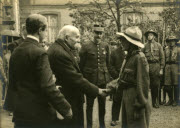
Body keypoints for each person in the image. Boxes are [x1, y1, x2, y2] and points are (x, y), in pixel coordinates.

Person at [8, 14, 72, 128]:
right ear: (40, 30)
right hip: (38, 114)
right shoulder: (40, 52)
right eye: (46, 30)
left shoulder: (17, 50)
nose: (46, 33)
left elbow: (13, 82)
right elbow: (47, 86)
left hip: (20, 113)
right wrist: (66, 108)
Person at [48, 25, 107, 128]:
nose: (78, 40)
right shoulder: (60, 53)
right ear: (66, 37)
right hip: (69, 99)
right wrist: (98, 90)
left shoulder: (61, 48)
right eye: (76, 37)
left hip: (70, 97)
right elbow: (75, 77)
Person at [116, 26, 151, 128]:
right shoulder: (129, 57)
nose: (121, 42)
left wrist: (139, 106)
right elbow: (122, 79)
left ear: (130, 43)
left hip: (136, 99)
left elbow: (143, 84)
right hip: (127, 96)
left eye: (123, 40)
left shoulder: (140, 58)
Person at [79, 24, 111, 128]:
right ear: (93, 33)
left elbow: (108, 63)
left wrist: (109, 78)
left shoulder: (105, 46)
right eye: (97, 33)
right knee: (89, 106)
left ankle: (102, 126)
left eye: (101, 33)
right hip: (90, 81)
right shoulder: (86, 46)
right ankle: (89, 126)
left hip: (102, 80)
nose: (99, 35)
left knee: (102, 106)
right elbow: (81, 64)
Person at [142, 29, 165, 108]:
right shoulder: (144, 46)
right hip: (147, 66)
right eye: (148, 35)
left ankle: (155, 102)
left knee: (155, 85)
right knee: (146, 85)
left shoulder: (158, 45)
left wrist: (161, 68)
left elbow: (162, 58)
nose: (149, 36)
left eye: (151, 35)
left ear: (154, 36)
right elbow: (141, 57)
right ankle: (145, 102)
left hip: (156, 66)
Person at [108, 42, 126, 126]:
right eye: (122, 41)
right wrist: (117, 76)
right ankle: (114, 119)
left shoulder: (130, 52)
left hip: (128, 80)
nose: (123, 43)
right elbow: (110, 66)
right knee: (116, 99)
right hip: (118, 80)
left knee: (128, 100)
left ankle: (127, 120)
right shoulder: (114, 52)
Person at [164, 35, 179, 106]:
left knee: (175, 84)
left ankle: (176, 100)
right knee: (167, 84)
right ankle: (170, 99)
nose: (171, 42)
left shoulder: (178, 49)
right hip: (167, 66)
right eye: (170, 41)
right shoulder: (166, 49)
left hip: (175, 66)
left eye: (173, 41)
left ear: (175, 41)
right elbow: (163, 59)